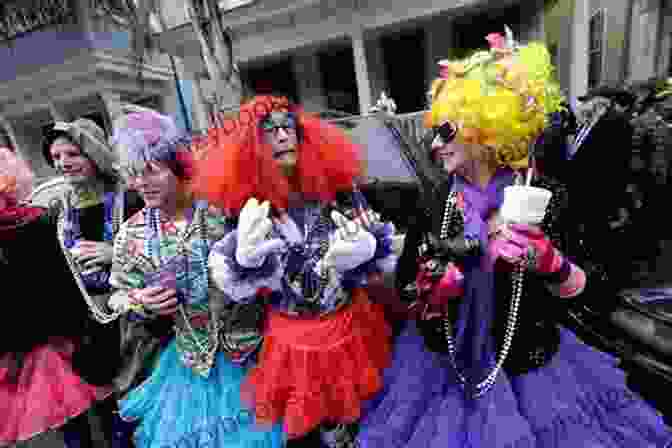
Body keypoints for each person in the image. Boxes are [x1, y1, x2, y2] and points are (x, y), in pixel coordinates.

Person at [355, 30, 672, 447]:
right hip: (441, 374)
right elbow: (407, 283)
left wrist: (553, 264)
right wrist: (434, 287)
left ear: (488, 127)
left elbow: (597, 290)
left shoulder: (547, 198)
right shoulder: (436, 200)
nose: (434, 144)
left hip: (532, 373)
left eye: (446, 130)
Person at [194, 95, 396, 447]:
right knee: (305, 430)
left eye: (289, 127)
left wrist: (369, 249)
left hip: (350, 329)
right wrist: (242, 263)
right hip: (290, 342)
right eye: (270, 131)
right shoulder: (245, 209)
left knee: (361, 422)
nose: (284, 136)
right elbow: (228, 285)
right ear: (252, 147)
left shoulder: (340, 192)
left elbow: (380, 250)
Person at [106, 105, 284, 448]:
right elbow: (117, 295)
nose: (141, 182)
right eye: (134, 173)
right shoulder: (131, 233)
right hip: (190, 367)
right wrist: (138, 300)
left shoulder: (223, 207)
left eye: (151, 171)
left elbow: (272, 263)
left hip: (254, 353)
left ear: (179, 167)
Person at [42, 117, 144, 447]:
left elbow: (164, 255)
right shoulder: (60, 212)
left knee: (141, 410)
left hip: (138, 324)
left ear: (94, 154)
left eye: (72, 153)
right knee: (108, 419)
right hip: (91, 329)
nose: (63, 163)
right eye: (56, 157)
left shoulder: (131, 199)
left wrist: (116, 253)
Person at [0, 147, 111, 447]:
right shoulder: (40, 221)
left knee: (71, 428)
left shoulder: (40, 220)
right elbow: (67, 286)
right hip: (62, 339)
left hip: (17, 349)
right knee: (98, 416)